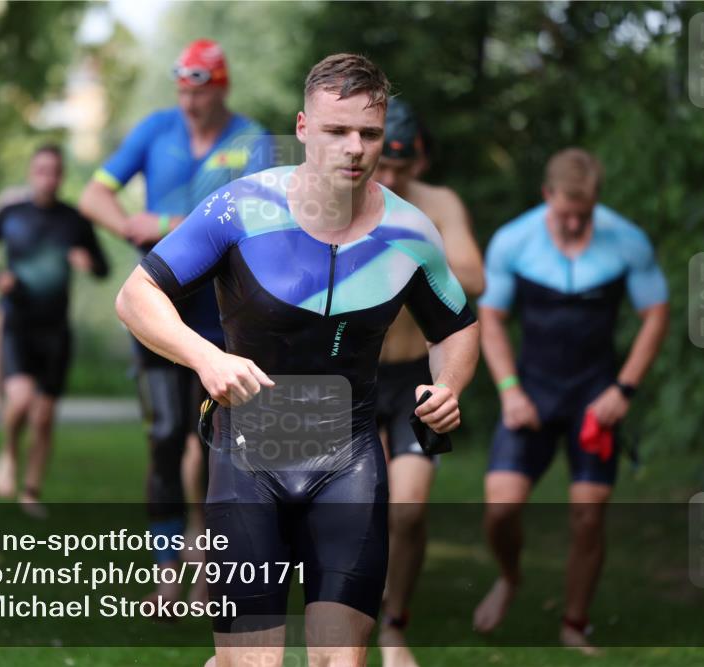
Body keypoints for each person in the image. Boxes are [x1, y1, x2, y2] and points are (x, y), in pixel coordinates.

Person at [115, 54, 480, 667]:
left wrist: (448, 384)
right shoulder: (241, 208)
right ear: (304, 128)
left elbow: (458, 325)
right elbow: (136, 296)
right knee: (248, 663)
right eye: (338, 131)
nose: (356, 148)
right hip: (249, 457)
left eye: (369, 133)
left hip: (350, 463)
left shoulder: (411, 233)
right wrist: (206, 357)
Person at [80, 39, 274, 605]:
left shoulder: (251, 139)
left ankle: (214, 558)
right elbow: (94, 195)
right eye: (183, 92)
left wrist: (161, 221)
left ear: (222, 88)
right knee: (165, 438)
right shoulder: (154, 129)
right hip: (159, 313)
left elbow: (258, 214)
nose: (190, 103)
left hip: (225, 316)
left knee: (221, 443)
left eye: (201, 92)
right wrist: (126, 227)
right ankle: (168, 564)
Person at [472, 148, 669, 651]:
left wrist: (623, 389)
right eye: (566, 213)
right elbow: (490, 318)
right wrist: (510, 390)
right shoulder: (514, 240)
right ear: (547, 196)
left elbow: (656, 314)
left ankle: (574, 623)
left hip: (594, 392)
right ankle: (510, 577)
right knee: (500, 509)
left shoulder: (626, 240)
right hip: (532, 389)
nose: (577, 222)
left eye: (587, 213)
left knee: (588, 514)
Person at [371, 98, 485, 667]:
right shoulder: (345, 198)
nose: (390, 179)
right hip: (353, 375)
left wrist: (410, 248)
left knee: (408, 508)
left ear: (418, 160)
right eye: (381, 165)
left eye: (401, 167)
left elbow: (474, 275)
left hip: (416, 377)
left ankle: (395, 627)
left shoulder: (438, 204)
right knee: (351, 508)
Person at [0, 144, 110, 518]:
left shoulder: (74, 220)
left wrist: (87, 262)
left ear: (61, 175)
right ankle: (8, 452)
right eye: (41, 170)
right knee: (18, 402)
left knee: (45, 416)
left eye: (54, 171)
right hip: (18, 323)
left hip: (56, 330)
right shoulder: (10, 214)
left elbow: (103, 267)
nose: (47, 177)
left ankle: (31, 491)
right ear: (31, 172)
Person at [0, 185, 33, 422]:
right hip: (11, 293)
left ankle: (25, 399)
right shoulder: (9, 202)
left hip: (39, 296)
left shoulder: (33, 206)